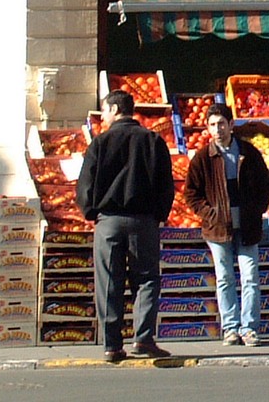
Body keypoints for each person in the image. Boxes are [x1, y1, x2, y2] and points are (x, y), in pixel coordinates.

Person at [76, 89, 176, 362]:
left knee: (109, 281)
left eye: (105, 110)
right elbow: (166, 184)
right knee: (146, 279)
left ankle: (112, 345)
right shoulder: (153, 141)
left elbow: (84, 185)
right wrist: (159, 214)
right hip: (144, 220)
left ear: (116, 110)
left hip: (108, 221)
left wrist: (91, 212)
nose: (104, 116)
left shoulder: (100, 143)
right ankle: (143, 338)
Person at [185, 102, 269, 347]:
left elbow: (266, 183)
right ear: (207, 128)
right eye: (212, 125)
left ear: (231, 125)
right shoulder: (203, 158)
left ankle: (249, 328)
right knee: (224, 278)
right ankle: (230, 328)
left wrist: (257, 209)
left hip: (247, 226)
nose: (218, 129)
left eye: (221, 124)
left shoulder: (248, 152)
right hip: (218, 229)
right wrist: (209, 214)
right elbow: (191, 193)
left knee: (250, 277)